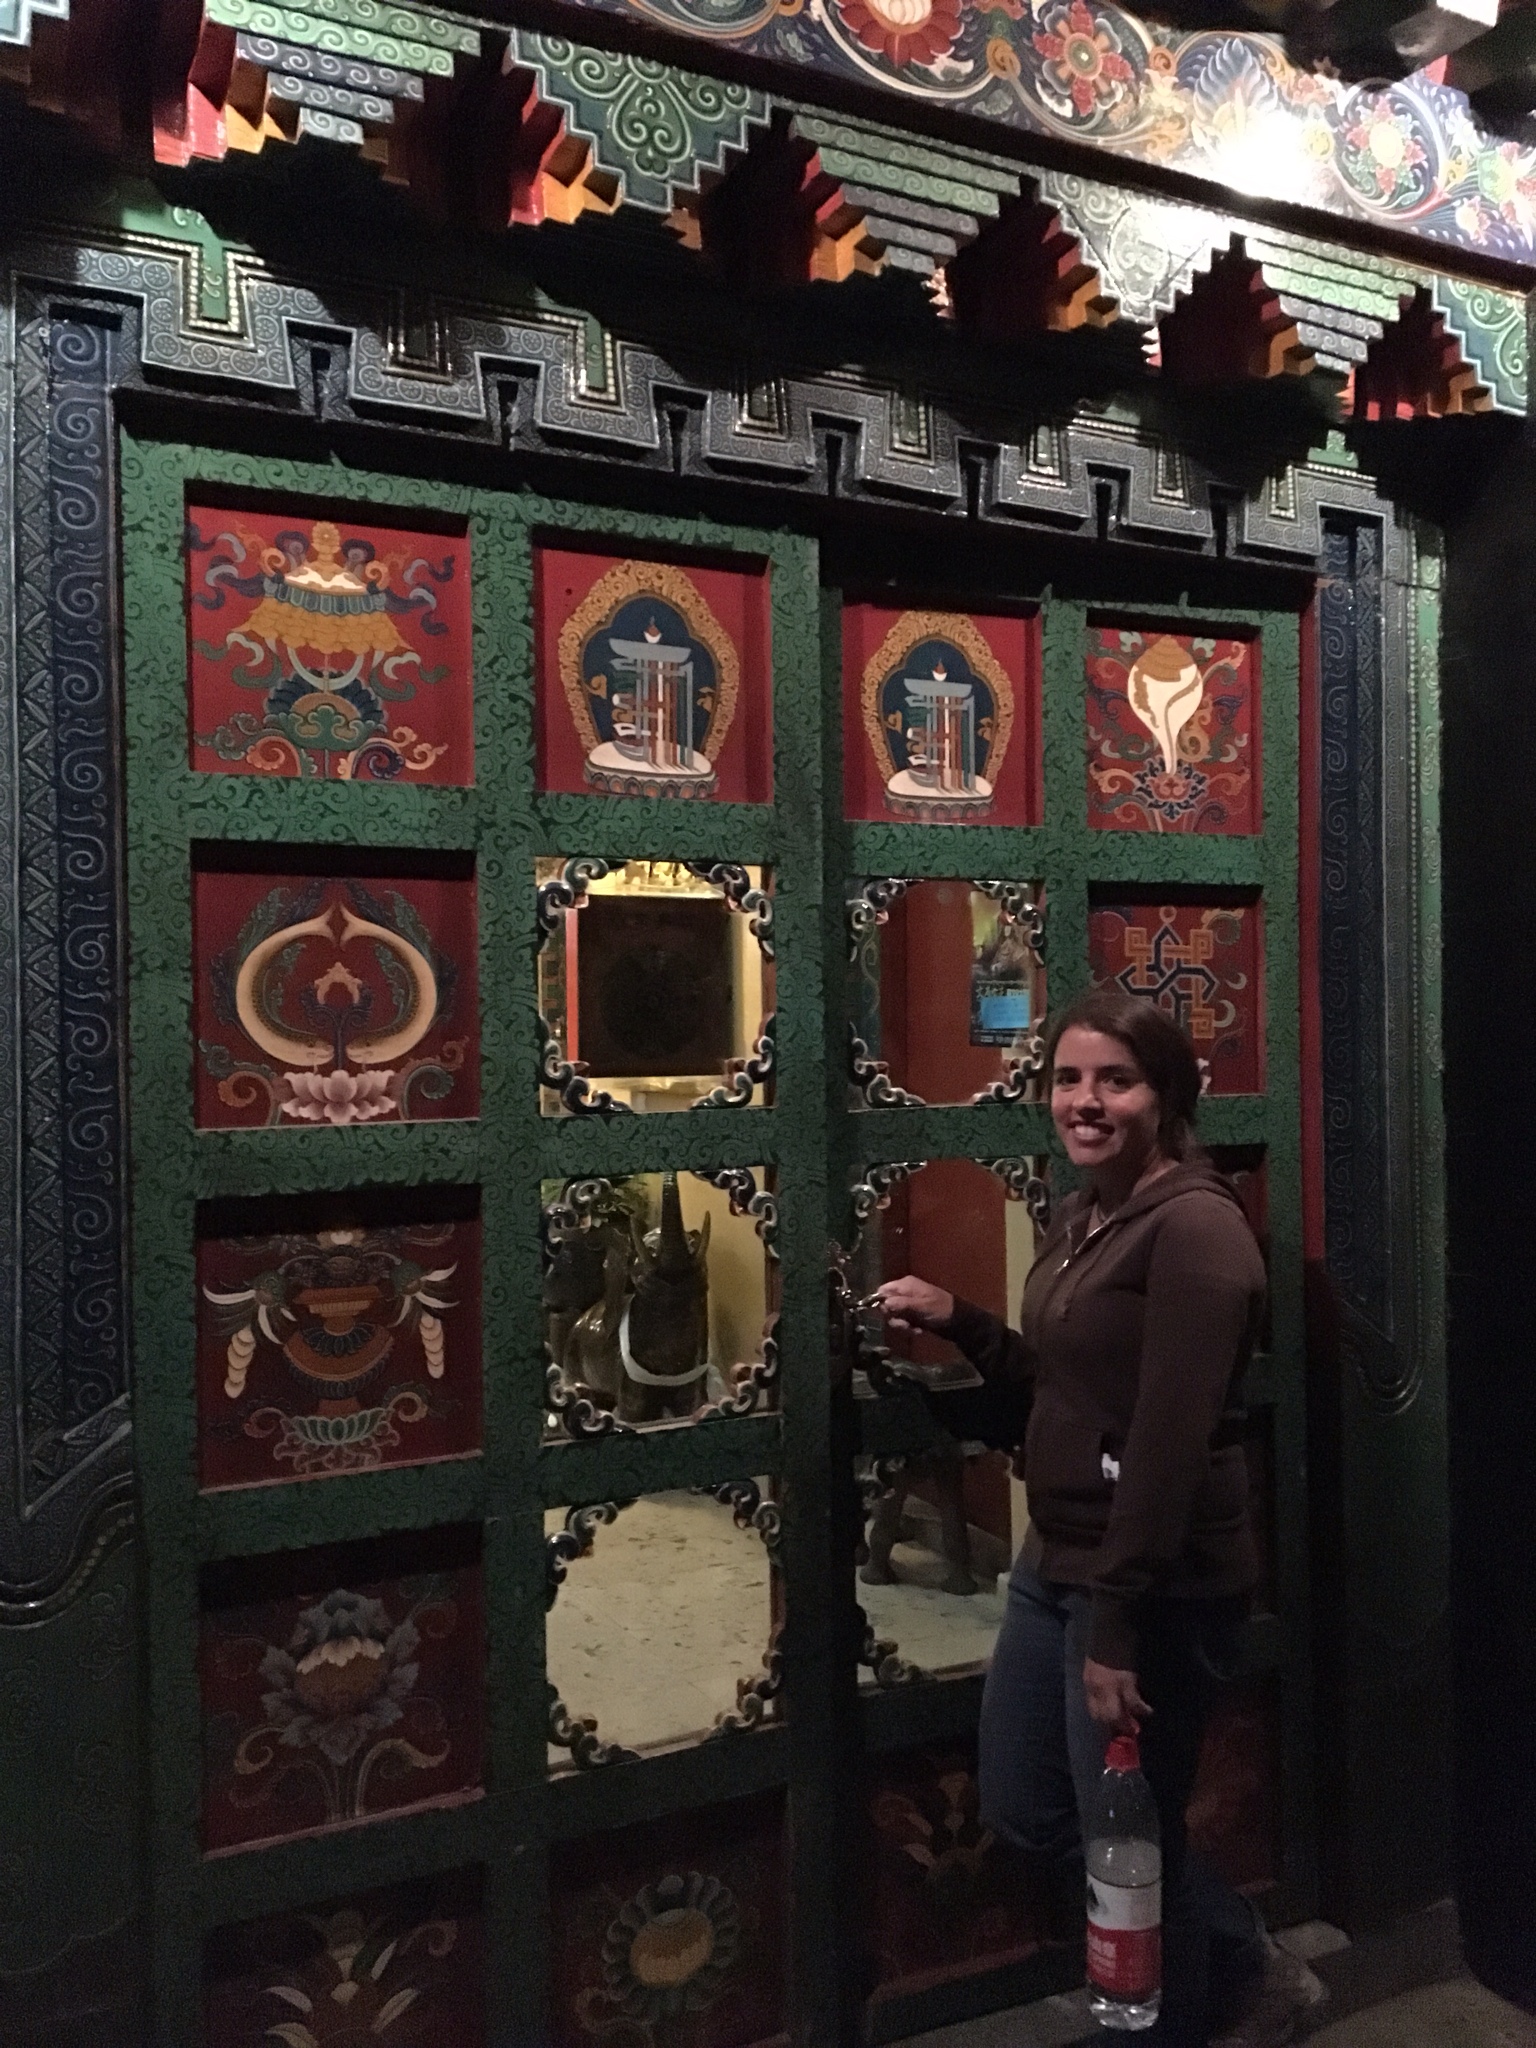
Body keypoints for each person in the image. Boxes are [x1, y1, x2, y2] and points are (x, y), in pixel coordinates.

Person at [871, 989, 1326, 2048]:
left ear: (1165, 1096)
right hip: (1060, 1562)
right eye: (1068, 1078)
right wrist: (964, 1321)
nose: (1085, 1100)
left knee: (1131, 1838)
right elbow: (1069, 1384)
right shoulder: (1089, 1214)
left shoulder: (1196, 1232)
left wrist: (1116, 1625)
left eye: (1115, 1080)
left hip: (1151, 1584)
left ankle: (1181, 2014)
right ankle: (1240, 1957)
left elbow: (1167, 1445)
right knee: (1028, 1804)